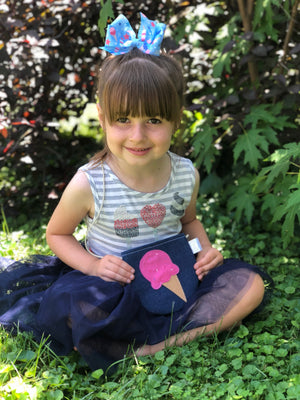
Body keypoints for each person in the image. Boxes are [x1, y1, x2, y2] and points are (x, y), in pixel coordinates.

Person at [0, 13, 271, 371]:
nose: (138, 135)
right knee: (75, 308)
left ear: (176, 118)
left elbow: (188, 222)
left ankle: (161, 344)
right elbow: (57, 233)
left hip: (175, 276)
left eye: (154, 121)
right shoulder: (90, 182)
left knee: (250, 285)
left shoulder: (185, 173)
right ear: (102, 117)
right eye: (123, 119)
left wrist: (203, 250)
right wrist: (94, 266)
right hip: (116, 284)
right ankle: (137, 333)